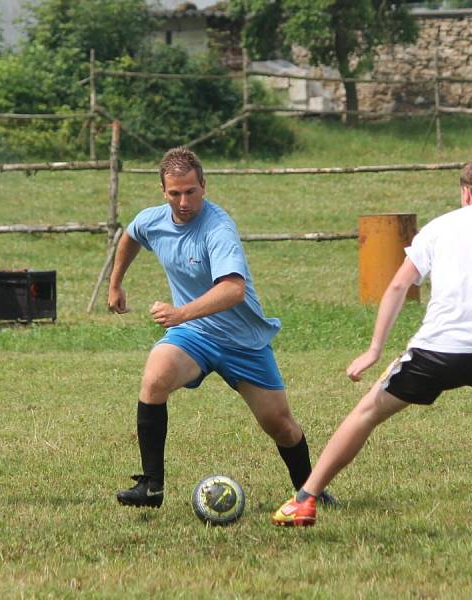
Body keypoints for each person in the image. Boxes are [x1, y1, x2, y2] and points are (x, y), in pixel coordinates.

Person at [271, 158, 472, 543]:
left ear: (465, 192)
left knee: (365, 414)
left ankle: (305, 501)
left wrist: (375, 348)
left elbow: (397, 288)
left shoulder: (439, 227)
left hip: (436, 352)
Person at [108, 146, 334, 508]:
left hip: (243, 341)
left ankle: (311, 491)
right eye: (175, 193)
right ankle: (151, 486)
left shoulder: (218, 228)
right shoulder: (153, 220)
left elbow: (233, 289)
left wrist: (181, 313)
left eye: (191, 191)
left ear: (204, 185)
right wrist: (115, 283)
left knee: (280, 425)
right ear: (163, 192)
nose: (183, 201)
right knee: (155, 377)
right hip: (195, 335)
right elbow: (131, 235)